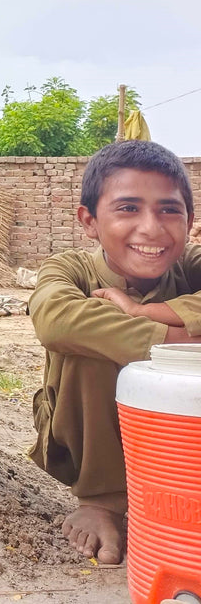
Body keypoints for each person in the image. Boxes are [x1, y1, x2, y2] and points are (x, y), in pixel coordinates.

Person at [29, 139, 201, 565]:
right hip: (84, 437)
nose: (152, 228)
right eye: (128, 208)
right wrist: (183, 339)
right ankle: (102, 500)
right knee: (91, 339)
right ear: (89, 221)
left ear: (190, 219)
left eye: (169, 209)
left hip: (180, 439)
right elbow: (57, 320)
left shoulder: (191, 263)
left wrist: (150, 311)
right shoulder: (69, 268)